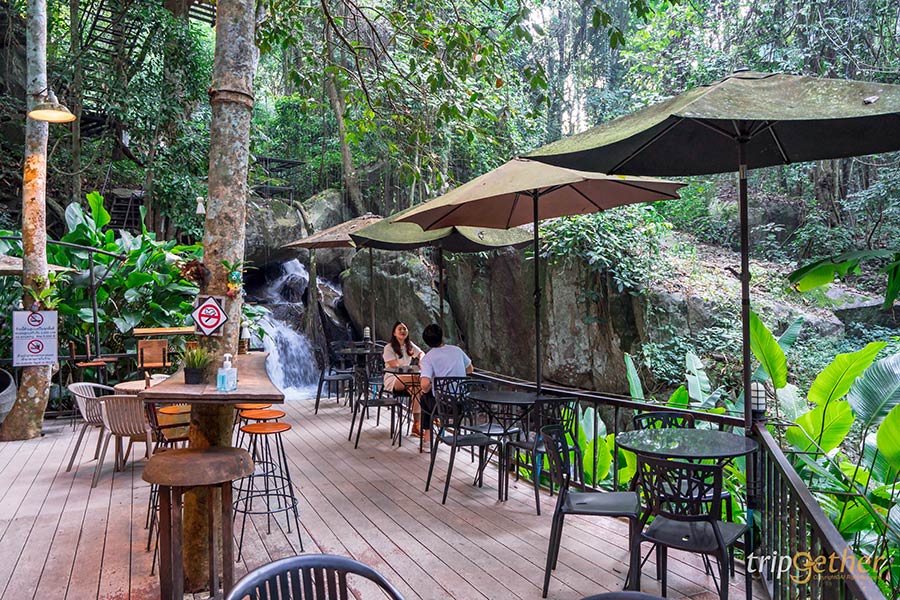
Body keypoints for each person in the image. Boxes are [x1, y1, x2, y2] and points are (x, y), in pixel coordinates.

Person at [419, 323, 474, 444]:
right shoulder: (457, 350)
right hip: (462, 405)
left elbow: (424, 385)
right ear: (441, 336)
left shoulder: (428, 358)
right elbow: (470, 369)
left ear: (426, 341)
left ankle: (428, 439)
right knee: (428, 396)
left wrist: (433, 383)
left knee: (424, 397)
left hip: (443, 406)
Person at [382, 321, 426, 434]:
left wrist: (421, 360)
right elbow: (395, 367)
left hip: (409, 379)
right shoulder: (388, 348)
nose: (403, 331)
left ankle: (416, 424)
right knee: (421, 381)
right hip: (393, 379)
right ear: (394, 333)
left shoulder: (409, 345)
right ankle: (430, 413)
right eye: (400, 329)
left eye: (405, 329)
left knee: (416, 389)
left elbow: (421, 353)